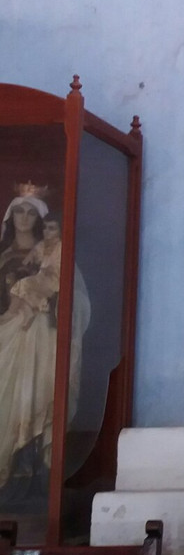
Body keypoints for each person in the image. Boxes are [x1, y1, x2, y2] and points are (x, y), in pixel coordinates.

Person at [0, 194, 89, 494]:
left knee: (38, 394)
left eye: (30, 212)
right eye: (18, 212)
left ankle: (34, 463)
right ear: (10, 217)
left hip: (42, 335)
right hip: (9, 333)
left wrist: (52, 303)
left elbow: (74, 297)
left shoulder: (59, 254)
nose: (24, 218)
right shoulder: (5, 255)